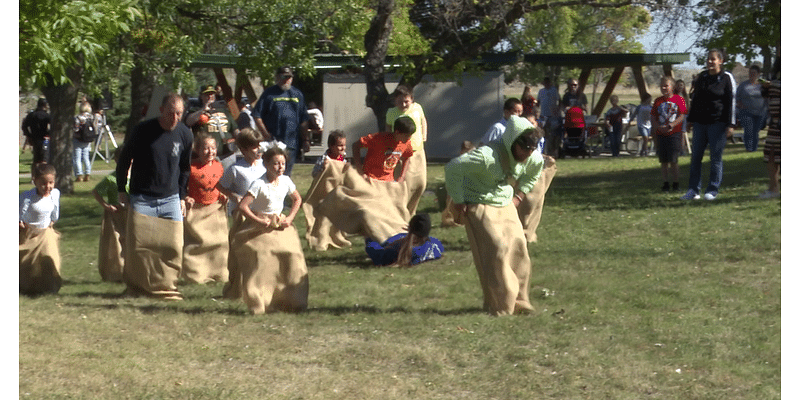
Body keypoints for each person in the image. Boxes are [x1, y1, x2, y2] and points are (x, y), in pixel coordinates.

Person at [445, 115, 545, 316]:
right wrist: (458, 199)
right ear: (512, 143)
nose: (527, 154)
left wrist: (519, 195)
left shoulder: (532, 157)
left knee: (519, 247)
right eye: (524, 149)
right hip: (479, 202)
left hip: (505, 203)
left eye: (531, 150)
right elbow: (453, 167)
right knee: (496, 249)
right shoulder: (486, 156)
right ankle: (500, 305)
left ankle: (521, 302)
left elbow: (534, 171)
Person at [116, 93, 194, 300]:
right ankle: (138, 287)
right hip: (142, 198)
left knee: (174, 247)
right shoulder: (143, 130)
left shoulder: (185, 134)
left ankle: (168, 285)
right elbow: (124, 159)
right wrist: (121, 189)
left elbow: (186, 168)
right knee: (139, 248)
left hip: (170, 199)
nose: (175, 118)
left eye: (179, 113)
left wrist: (181, 196)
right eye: (171, 113)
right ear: (161, 110)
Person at [232, 146, 308, 314]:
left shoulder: (286, 181)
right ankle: (259, 300)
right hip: (260, 227)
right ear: (265, 164)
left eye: (283, 163)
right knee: (263, 260)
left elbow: (297, 199)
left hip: (280, 224)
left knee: (293, 256)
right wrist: (258, 220)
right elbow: (243, 206)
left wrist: (289, 218)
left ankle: (293, 299)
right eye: (275, 164)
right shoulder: (259, 184)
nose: (280, 167)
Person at [217, 127, 267, 300]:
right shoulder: (236, 169)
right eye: (254, 147)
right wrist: (233, 196)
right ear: (244, 149)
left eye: (259, 145)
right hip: (242, 215)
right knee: (243, 251)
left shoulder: (264, 165)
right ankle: (238, 286)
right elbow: (220, 185)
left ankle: (260, 285)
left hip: (262, 213)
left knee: (261, 250)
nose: (259, 149)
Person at [681, 49, 737, 201]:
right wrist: (690, 121)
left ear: (721, 61)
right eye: (709, 59)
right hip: (700, 123)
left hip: (718, 124)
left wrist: (730, 124)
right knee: (695, 157)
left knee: (715, 158)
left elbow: (731, 101)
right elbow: (696, 100)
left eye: (713, 59)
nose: (710, 62)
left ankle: (712, 190)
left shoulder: (726, 78)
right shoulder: (702, 77)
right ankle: (693, 190)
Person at [182, 133, 229, 284]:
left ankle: (219, 272)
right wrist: (185, 197)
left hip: (214, 210)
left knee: (219, 241)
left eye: (213, 148)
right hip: (196, 211)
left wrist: (222, 194)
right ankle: (196, 274)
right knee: (197, 243)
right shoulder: (191, 167)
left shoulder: (219, 166)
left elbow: (220, 185)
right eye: (206, 148)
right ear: (197, 149)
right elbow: (182, 186)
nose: (210, 152)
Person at [252, 66, 311, 176]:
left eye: (289, 77)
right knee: (273, 172)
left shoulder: (297, 94)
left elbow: (304, 120)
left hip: (291, 143)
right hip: (274, 142)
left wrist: (306, 140)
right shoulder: (269, 94)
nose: (286, 80)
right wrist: (265, 134)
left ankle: (286, 193)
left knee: (286, 174)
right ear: (277, 77)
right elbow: (257, 115)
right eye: (284, 76)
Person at [19, 163, 62, 295]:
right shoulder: (27, 197)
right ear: (35, 181)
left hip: (46, 233)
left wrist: (53, 220)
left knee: (50, 258)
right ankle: (27, 286)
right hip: (29, 233)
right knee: (28, 264)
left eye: (50, 182)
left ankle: (50, 287)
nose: (47, 186)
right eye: (43, 183)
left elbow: (55, 210)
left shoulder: (54, 194)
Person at [386, 85, 428, 215]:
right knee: (406, 186)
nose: (403, 104)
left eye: (406, 101)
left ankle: (411, 210)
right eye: (400, 101)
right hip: (403, 154)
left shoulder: (417, 108)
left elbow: (423, 121)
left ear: (412, 99)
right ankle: (403, 213)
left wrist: (424, 135)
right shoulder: (392, 113)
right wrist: (390, 145)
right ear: (395, 101)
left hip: (418, 152)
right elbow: (388, 128)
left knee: (421, 184)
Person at [92, 147, 127, 283]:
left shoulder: (135, 176)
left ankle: (131, 271)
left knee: (129, 242)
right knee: (117, 242)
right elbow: (96, 191)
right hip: (115, 215)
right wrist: (106, 205)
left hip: (130, 213)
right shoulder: (111, 178)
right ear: (117, 161)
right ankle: (117, 273)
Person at [185, 85, 238, 169]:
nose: (210, 96)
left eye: (212, 94)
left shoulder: (224, 111)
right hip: (207, 156)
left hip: (227, 154)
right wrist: (203, 109)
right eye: (207, 94)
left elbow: (235, 129)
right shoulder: (196, 111)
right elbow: (188, 122)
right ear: (201, 96)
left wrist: (240, 138)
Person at [651, 76, 688, 192]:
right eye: (662, 86)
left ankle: (676, 183)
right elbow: (653, 116)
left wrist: (671, 125)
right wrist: (658, 127)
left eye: (666, 85)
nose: (663, 88)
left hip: (674, 134)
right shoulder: (658, 101)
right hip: (661, 134)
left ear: (672, 87)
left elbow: (682, 115)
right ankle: (665, 183)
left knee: (673, 160)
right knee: (663, 161)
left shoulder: (679, 100)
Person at [365, 214, 444, 267]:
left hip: (388, 240)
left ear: (409, 228)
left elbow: (378, 256)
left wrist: (369, 239)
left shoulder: (398, 249)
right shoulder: (435, 244)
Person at [353, 115, 416, 183]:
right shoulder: (377, 138)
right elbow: (355, 146)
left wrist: (402, 177)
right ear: (397, 132)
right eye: (406, 135)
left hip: (388, 181)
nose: (409, 138)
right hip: (370, 179)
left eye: (410, 135)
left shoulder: (406, 143)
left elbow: (407, 157)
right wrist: (359, 169)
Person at [759, 54, 780, 199]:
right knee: (771, 155)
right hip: (775, 122)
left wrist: (773, 85)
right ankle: (773, 189)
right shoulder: (775, 74)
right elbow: (765, 94)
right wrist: (765, 87)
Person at [736, 65, 768, 152]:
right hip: (746, 112)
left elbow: (768, 97)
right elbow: (737, 97)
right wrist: (739, 105)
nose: (752, 75)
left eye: (754, 73)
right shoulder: (743, 85)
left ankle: (754, 147)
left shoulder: (763, 85)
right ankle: (749, 148)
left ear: (758, 74)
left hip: (760, 112)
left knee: (756, 131)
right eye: (750, 73)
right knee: (748, 130)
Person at [21, 98, 51, 165]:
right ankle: (42, 172)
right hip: (44, 139)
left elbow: (24, 126)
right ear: (44, 105)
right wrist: (49, 133)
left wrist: (29, 136)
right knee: (44, 158)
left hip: (34, 139)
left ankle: (35, 174)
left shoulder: (31, 115)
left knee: (36, 159)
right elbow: (53, 125)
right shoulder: (46, 115)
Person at [537, 77, 562, 157]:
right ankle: (544, 151)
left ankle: (553, 151)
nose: (546, 84)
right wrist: (537, 112)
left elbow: (559, 101)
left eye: (548, 82)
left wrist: (557, 110)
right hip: (543, 115)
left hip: (552, 115)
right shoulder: (541, 91)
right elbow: (538, 102)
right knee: (544, 133)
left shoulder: (554, 90)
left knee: (553, 134)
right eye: (545, 82)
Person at [73, 101, 96, 182]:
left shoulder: (78, 118)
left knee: (77, 158)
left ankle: (79, 175)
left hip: (78, 139)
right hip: (87, 140)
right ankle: (87, 173)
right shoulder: (91, 117)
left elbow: (76, 129)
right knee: (86, 157)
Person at [675, 79, 691, 155]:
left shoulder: (685, 96)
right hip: (675, 116)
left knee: (682, 133)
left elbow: (688, 107)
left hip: (683, 116)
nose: (680, 87)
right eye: (678, 85)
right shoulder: (673, 95)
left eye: (681, 85)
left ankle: (682, 150)